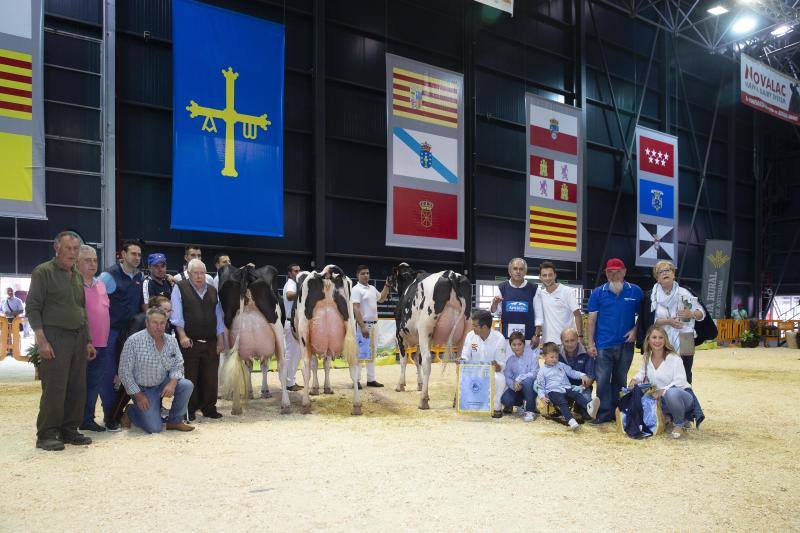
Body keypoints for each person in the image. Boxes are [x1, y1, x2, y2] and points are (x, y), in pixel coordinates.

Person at [26, 231, 96, 451]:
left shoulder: (76, 274)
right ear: (57, 248)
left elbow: (81, 309)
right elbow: (33, 307)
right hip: (55, 338)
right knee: (55, 388)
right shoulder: (43, 272)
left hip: (78, 338)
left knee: (77, 387)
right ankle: (46, 434)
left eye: (76, 249)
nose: (73, 253)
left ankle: (69, 429)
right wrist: (42, 341)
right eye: (68, 248)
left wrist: (88, 340)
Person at [118, 307, 194, 433]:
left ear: (166, 324)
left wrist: (172, 383)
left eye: (162, 323)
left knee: (186, 385)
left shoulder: (171, 340)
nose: (159, 327)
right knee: (154, 428)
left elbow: (178, 364)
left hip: (162, 381)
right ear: (147, 323)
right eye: (155, 323)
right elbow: (124, 372)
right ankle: (131, 411)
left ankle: (174, 421)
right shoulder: (133, 341)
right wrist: (139, 395)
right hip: (142, 388)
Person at [586, 258, 643, 424]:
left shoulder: (636, 291)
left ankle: (618, 412)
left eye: (618, 271)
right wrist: (591, 343)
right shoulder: (598, 292)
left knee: (620, 378)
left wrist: (635, 330)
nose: (614, 275)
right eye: (610, 272)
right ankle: (604, 414)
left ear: (624, 272)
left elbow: (643, 316)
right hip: (603, 345)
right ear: (606, 273)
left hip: (626, 344)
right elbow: (591, 320)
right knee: (602, 380)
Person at [170, 258, 225, 421]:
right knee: (190, 376)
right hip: (190, 341)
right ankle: (190, 408)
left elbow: (219, 318)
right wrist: (182, 336)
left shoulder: (213, 291)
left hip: (211, 341)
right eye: (196, 273)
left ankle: (209, 407)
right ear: (188, 273)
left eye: (202, 273)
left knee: (210, 377)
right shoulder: (180, 288)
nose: (200, 276)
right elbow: (176, 315)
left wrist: (221, 339)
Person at [98, 240, 144, 431]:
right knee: (109, 374)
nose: (137, 258)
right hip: (110, 332)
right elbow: (96, 301)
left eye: (139, 255)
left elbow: (142, 304)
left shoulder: (140, 276)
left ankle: (118, 412)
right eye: (133, 254)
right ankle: (109, 415)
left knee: (128, 373)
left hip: (131, 333)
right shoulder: (108, 276)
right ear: (123, 254)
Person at [628, 325, 704, 439]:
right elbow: (642, 374)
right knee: (638, 396)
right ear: (648, 340)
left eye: (661, 338)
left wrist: (662, 391)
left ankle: (679, 424)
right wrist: (634, 380)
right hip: (659, 399)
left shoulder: (674, 358)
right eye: (654, 337)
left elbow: (681, 381)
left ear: (665, 340)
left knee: (671, 393)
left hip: (682, 397)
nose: (657, 341)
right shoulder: (646, 356)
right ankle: (668, 418)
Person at [107, 296, 173, 425]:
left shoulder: (167, 325)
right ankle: (112, 419)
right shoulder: (139, 320)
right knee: (125, 390)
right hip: (133, 366)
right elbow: (125, 345)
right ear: (154, 309)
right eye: (163, 309)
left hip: (154, 367)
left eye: (169, 311)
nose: (167, 313)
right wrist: (120, 371)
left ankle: (153, 412)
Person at [637, 260, 705, 384]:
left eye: (668, 270)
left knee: (685, 372)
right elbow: (649, 321)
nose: (665, 273)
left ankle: (685, 398)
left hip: (686, 338)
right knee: (663, 371)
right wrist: (668, 321)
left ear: (673, 274)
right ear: (657, 278)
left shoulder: (684, 293)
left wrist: (692, 314)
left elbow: (702, 314)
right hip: (662, 338)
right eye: (660, 272)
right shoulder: (651, 296)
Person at [77, 245, 113, 433]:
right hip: (82, 345)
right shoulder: (73, 285)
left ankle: (87, 419)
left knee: (94, 384)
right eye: (87, 260)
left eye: (95, 260)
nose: (92, 264)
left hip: (103, 344)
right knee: (78, 384)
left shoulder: (100, 284)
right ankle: (71, 420)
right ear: (77, 262)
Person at [535, 342, 599, 431]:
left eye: (556, 357)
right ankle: (571, 421)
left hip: (566, 388)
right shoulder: (542, 371)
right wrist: (542, 396)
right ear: (544, 357)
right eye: (552, 357)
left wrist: (582, 375)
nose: (554, 359)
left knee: (577, 394)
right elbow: (540, 386)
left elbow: (572, 372)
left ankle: (589, 407)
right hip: (553, 392)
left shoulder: (561, 365)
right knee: (562, 402)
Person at [459, 309, 509, 418]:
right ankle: (467, 403)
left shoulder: (499, 338)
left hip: (490, 373)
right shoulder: (470, 336)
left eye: (475, 325)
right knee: (462, 375)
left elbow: (502, 364)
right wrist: (461, 360)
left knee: (500, 379)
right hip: (473, 372)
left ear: (484, 327)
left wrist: (497, 365)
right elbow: (465, 355)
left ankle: (496, 408)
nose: (473, 328)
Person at [350, 265, 390, 388]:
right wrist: (362, 326)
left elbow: (382, 299)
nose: (366, 275)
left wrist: (387, 285)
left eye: (367, 273)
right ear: (357, 275)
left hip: (374, 325)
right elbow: (355, 308)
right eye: (363, 273)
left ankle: (371, 379)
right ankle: (356, 380)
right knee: (361, 353)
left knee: (372, 353)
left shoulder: (372, 288)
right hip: (364, 324)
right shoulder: (356, 289)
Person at [491, 258, 540, 350]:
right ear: (510, 272)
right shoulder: (502, 288)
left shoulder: (534, 289)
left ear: (525, 272)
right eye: (515, 268)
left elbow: (539, 314)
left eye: (521, 269)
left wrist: (537, 335)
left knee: (529, 364)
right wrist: (494, 304)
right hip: (508, 339)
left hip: (529, 339)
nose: (518, 271)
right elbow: (494, 312)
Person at [533, 261, 582, 345]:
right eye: (544, 275)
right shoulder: (539, 294)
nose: (547, 278)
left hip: (567, 342)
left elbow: (577, 314)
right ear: (540, 277)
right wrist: (537, 335)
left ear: (555, 275)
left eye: (550, 275)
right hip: (548, 343)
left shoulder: (567, 291)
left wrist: (580, 336)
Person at [500, 331, 539, 421]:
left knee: (528, 381)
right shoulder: (510, 360)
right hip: (517, 389)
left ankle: (530, 410)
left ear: (524, 344)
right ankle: (520, 404)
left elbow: (535, 373)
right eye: (514, 345)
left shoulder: (532, 356)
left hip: (531, 388)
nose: (517, 347)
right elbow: (507, 377)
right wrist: (513, 385)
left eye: (519, 344)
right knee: (505, 399)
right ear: (510, 346)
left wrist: (520, 380)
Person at [559, 328, 595, 408]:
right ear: (561, 341)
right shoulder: (556, 354)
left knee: (587, 408)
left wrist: (581, 387)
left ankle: (579, 407)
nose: (570, 344)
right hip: (563, 388)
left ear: (578, 339)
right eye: (566, 341)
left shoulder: (587, 353)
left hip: (582, 388)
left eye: (572, 340)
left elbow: (590, 377)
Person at [283, 263, 303, 392]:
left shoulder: (296, 284)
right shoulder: (290, 283)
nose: (298, 273)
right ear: (290, 273)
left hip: (296, 323)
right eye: (295, 271)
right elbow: (290, 295)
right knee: (291, 354)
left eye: (299, 271)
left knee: (296, 354)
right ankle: (287, 382)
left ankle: (291, 381)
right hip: (291, 323)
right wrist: (303, 293)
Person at [2, 287, 24, 354]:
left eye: (11, 291)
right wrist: (5, 313)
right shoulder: (4, 301)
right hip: (6, 320)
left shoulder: (18, 300)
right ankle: (9, 350)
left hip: (15, 320)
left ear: (13, 292)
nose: (10, 292)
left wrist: (12, 313)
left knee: (16, 335)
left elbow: (21, 310)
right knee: (7, 335)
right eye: (8, 291)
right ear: (6, 292)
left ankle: (16, 350)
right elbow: (3, 310)